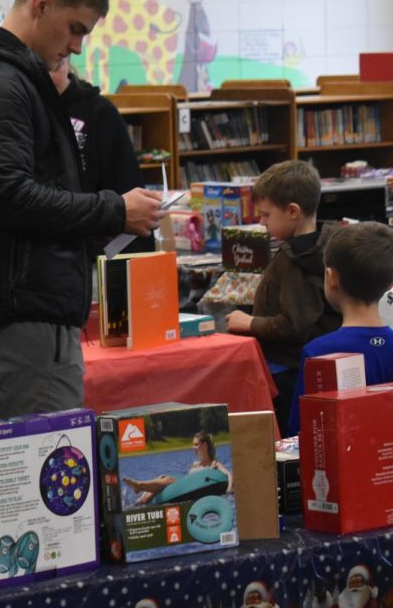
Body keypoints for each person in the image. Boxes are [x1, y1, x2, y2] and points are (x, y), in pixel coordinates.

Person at [0, 0, 164, 421]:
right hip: (21, 312)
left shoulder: (8, 79)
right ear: (41, 4)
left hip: (12, 307)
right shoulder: (0, 84)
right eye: (75, 28)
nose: (77, 46)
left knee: (14, 474)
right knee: (47, 474)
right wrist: (114, 210)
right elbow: (11, 197)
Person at [225, 160, 340, 434]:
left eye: (266, 215)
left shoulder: (295, 260)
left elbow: (293, 325)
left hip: (286, 370)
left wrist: (248, 322)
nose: (262, 223)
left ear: (292, 211)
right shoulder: (326, 245)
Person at [287, 222, 393, 435]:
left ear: (331, 277)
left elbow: (301, 431)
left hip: (346, 465)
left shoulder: (319, 352)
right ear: (390, 283)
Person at [51, 55, 153, 256]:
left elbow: (130, 190)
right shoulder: (24, 107)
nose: (49, 77)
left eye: (56, 66)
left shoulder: (100, 112)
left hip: (96, 252)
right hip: (48, 251)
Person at [122, 430, 233, 505]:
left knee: (169, 480)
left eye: (195, 444)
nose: (193, 447)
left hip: (186, 485)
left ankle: (140, 486)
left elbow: (229, 475)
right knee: (162, 478)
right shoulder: (195, 464)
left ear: (204, 446)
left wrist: (228, 490)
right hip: (183, 484)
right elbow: (185, 479)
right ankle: (139, 501)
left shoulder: (213, 464)